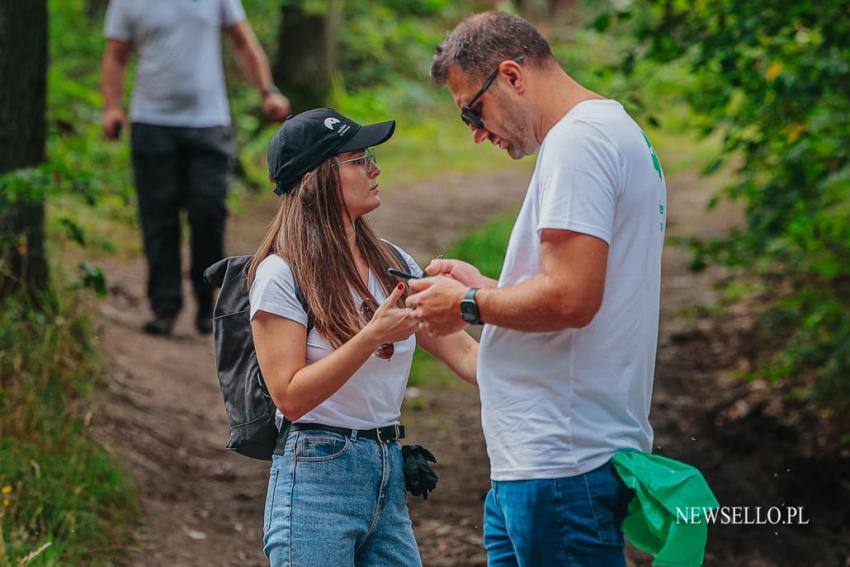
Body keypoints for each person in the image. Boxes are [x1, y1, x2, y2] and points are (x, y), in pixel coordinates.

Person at [405, 12, 668, 567]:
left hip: (562, 464)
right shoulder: (611, 130)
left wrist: (470, 304)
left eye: (472, 112)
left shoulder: (579, 143)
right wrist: (489, 287)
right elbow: (584, 291)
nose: (477, 132)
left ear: (512, 76)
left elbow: (571, 299)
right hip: (546, 460)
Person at [248, 108, 478, 567]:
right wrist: (372, 337)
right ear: (317, 179)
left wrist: (550, 389)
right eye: (358, 159)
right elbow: (289, 397)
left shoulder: (393, 261)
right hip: (315, 476)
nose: (375, 169)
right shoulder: (281, 274)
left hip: (387, 470)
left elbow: (468, 358)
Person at [100, 0, 290, 336]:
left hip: (209, 123)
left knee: (209, 211)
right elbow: (116, 54)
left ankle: (207, 298)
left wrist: (267, 90)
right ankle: (165, 306)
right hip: (152, 122)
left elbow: (242, 40)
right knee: (158, 218)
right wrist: (112, 107)